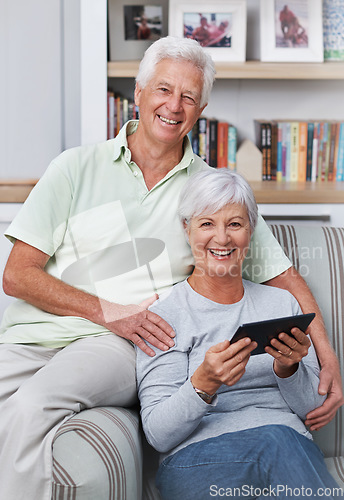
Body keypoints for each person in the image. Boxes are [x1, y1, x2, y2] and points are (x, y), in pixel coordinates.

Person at [0, 35, 341, 499]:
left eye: (189, 97)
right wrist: (105, 308)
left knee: (33, 407)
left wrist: (327, 359)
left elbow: (285, 278)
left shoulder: (211, 195)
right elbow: (17, 276)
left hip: (118, 343)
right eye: (163, 90)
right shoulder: (74, 168)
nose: (174, 106)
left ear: (200, 111)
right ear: (138, 94)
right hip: (32, 338)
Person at [136, 169, 340, 499]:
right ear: (186, 230)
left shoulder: (282, 303)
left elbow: (314, 410)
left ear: (250, 231)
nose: (222, 238)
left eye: (235, 224)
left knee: (279, 441)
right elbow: (159, 434)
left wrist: (288, 370)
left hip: (288, 451)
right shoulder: (164, 315)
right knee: (276, 440)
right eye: (206, 224)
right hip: (198, 460)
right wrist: (203, 383)